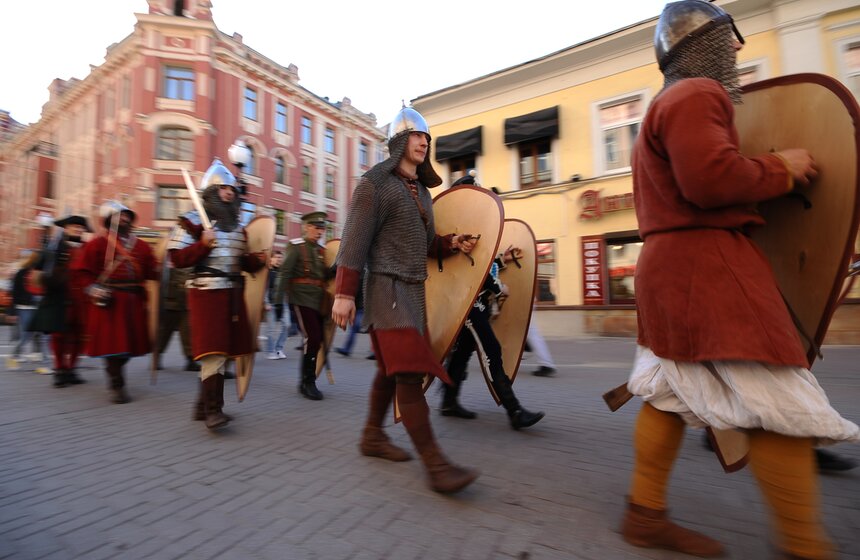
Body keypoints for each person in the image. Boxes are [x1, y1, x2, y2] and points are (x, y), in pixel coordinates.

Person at [620, 2, 859, 559]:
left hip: (671, 266)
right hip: (705, 265)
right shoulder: (696, 95)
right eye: (728, 38)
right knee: (774, 400)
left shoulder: (669, 101)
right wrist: (783, 167)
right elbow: (708, 180)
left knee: (668, 394)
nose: (736, 48)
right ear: (701, 45)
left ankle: (644, 513)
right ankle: (804, 545)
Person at [332, 106, 480, 494]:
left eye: (427, 137)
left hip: (413, 291)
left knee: (390, 369)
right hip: (384, 289)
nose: (424, 141)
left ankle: (371, 436)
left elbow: (422, 244)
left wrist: (450, 244)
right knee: (410, 372)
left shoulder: (424, 193)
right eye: (417, 135)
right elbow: (354, 241)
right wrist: (345, 293)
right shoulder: (374, 185)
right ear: (399, 141)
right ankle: (436, 466)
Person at [168, 158, 267, 430]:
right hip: (206, 294)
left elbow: (241, 262)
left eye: (231, 189)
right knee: (213, 352)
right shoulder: (190, 222)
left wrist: (261, 260)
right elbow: (176, 259)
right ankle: (213, 411)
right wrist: (201, 245)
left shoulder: (237, 228)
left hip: (232, 294)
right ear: (211, 192)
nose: (229, 193)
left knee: (223, 353)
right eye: (223, 188)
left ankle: (203, 407)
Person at [440, 176, 545, 430]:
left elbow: (484, 266)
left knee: (461, 356)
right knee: (492, 351)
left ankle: (448, 402)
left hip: (476, 305)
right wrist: (498, 287)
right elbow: (470, 274)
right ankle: (514, 410)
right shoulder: (455, 232)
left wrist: (503, 260)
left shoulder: (472, 230)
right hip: (468, 307)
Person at [72, 201, 157, 404]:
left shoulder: (142, 246)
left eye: (126, 215)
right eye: (119, 216)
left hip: (133, 301)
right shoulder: (98, 244)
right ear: (109, 220)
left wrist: (166, 267)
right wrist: (93, 289)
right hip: (110, 300)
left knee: (127, 348)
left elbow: (152, 271)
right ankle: (117, 384)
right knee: (113, 347)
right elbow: (82, 272)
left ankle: (115, 374)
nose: (124, 219)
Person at [275, 211, 334, 400]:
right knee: (313, 337)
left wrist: (335, 270)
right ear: (306, 227)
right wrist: (277, 300)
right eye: (317, 228)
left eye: (322, 228)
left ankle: (306, 381)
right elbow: (284, 273)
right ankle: (307, 382)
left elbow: (323, 276)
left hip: (318, 300)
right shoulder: (295, 246)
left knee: (316, 339)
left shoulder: (321, 250)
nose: (320, 232)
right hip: (300, 298)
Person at [28, 215, 91, 387]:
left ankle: (71, 369)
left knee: (81, 337)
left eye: (81, 227)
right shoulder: (53, 247)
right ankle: (59, 369)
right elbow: (37, 271)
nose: (78, 229)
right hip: (59, 297)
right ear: (66, 228)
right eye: (74, 226)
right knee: (59, 336)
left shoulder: (88, 248)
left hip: (83, 300)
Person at [156, 264, 199, 372]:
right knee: (165, 330)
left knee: (187, 330)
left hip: (186, 297)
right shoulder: (172, 251)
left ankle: (190, 359)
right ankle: (156, 356)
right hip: (172, 298)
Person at [6, 252, 44, 370]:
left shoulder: (37, 274)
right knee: (27, 334)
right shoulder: (21, 273)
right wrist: (12, 311)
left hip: (33, 307)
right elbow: (15, 293)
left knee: (37, 333)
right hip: (24, 307)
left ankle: (35, 355)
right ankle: (13, 357)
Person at [334, 267, 366, 357]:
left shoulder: (360, 277)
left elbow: (356, 293)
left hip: (360, 306)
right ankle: (347, 348)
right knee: (355, 328)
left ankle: (347, 349)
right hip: (361, 306)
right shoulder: (364, 275)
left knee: (354, 327)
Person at [265, 250, 288, 360]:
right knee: (271, 329)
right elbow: (263, 288)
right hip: (271, 303)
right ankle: (271, 351)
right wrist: (265, 302)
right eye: (276, 257)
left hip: (283, 303)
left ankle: (279, 349)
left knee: (287, 325)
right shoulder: (267, 273)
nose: (279, 259)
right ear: (271, 259)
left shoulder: (283, 272)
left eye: (280, 257)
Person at [526, 303, 557, 376]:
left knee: (531, 331)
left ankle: (547, 364)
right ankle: (526, 347)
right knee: (528, 330)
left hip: (523, 300)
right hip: (526, 298)